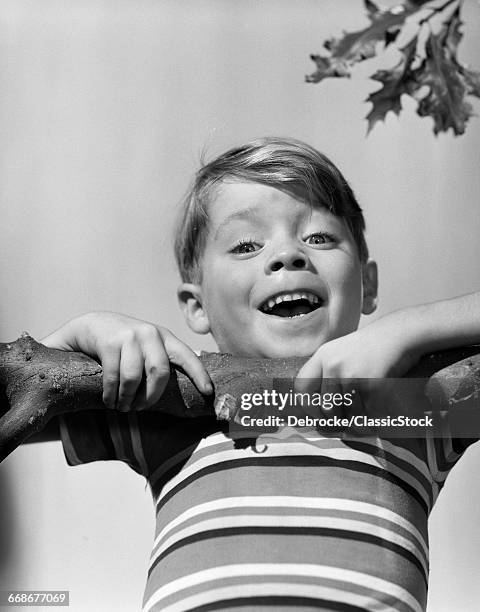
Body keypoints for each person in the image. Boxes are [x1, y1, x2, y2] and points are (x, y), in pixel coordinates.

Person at [40, 137, 480, 612]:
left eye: (320, 237)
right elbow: (17, 404)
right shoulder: (170, 396)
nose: (288, 255)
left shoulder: (416, 405)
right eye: (247, 245)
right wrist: (73, 339)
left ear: (368, 283)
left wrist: (409, 328)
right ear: (196, 304)